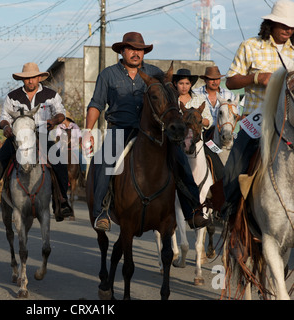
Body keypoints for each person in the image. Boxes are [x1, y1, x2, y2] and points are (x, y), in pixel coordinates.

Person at [84, 32, 209, 232]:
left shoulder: (155, 73)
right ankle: (101, 212)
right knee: (104, 162)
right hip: (120, 128)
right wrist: (87, 131)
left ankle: (193, 211)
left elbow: (169, 99)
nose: (136, 53)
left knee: (180, 160)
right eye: (132, 49)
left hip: (154, 131)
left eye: (140, 50)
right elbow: (96, 104)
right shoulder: (108, 75)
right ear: (122, 51)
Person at [220, 0, 294, 219]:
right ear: (271, 24)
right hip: (257, 119)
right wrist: (256, 77)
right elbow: (231, 81)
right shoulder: (250, 46)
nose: (289, 29)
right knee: (234, 166)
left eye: (292, 26)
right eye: (284, 25)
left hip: (288, 122)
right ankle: (230, 214)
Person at [0, 62, 73, 220]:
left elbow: (60, 113)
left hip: (41, 135)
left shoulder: (51, 95)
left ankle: (62, 201)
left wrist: (54, 120)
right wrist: (6, 127)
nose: (30, 81)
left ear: (39, 78)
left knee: (59, 162)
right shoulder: (13, 97)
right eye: (27, 78)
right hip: (17, 138)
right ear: (23, 80)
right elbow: (3, 118)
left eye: (33, 78)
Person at [192, 66, 237, 139]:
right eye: (212, 79)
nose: (215, 82)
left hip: (224, 133)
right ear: (205, 80)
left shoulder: (229, 95)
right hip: (201, 133)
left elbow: (236, 116)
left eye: (217, 79)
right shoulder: (195, 93)